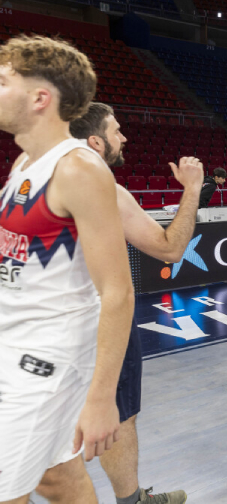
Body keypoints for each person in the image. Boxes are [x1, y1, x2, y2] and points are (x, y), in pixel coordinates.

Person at [0, 35, 134, 504]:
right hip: (13, 340)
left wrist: (100, 399)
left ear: (40, 98)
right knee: (58, 478)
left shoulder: (79, 169)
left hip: (45, 361)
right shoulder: (22, 163)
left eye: (2, 82)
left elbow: (118, 292)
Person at [68, 102, 200, 504]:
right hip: (100, 322)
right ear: (95, 141)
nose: (124, 137)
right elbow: (170, 248)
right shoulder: (104, 187)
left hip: (51, 325)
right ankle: (132, 500)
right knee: (119, 414)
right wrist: (192, 189)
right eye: (116, 131)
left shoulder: (43, 180)